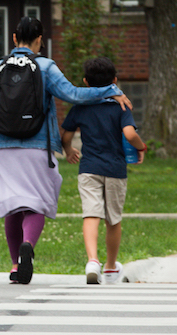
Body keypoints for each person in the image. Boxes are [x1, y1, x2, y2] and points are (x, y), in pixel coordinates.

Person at [0, 17, 131, 284]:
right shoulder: (45, 67)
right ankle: (28, 245)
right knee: (35, 204)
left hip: (1, 146)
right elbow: (75, 95)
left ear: (14, 38)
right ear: (39, 40)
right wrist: (110, 90)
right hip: (37, 146)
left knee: (13, 207)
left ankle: (13, 265)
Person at [60, 57, 148, 285]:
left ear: (85, 82)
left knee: (91, 214)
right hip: (115, 169)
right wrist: (141, 146)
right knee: (113, 219)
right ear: (115, 81)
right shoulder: (120, 105)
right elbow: (129, 134)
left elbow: (66, 135)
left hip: (89, 168)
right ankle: (110, 267)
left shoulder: (80, 106)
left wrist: (69, 150)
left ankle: (92, 261)